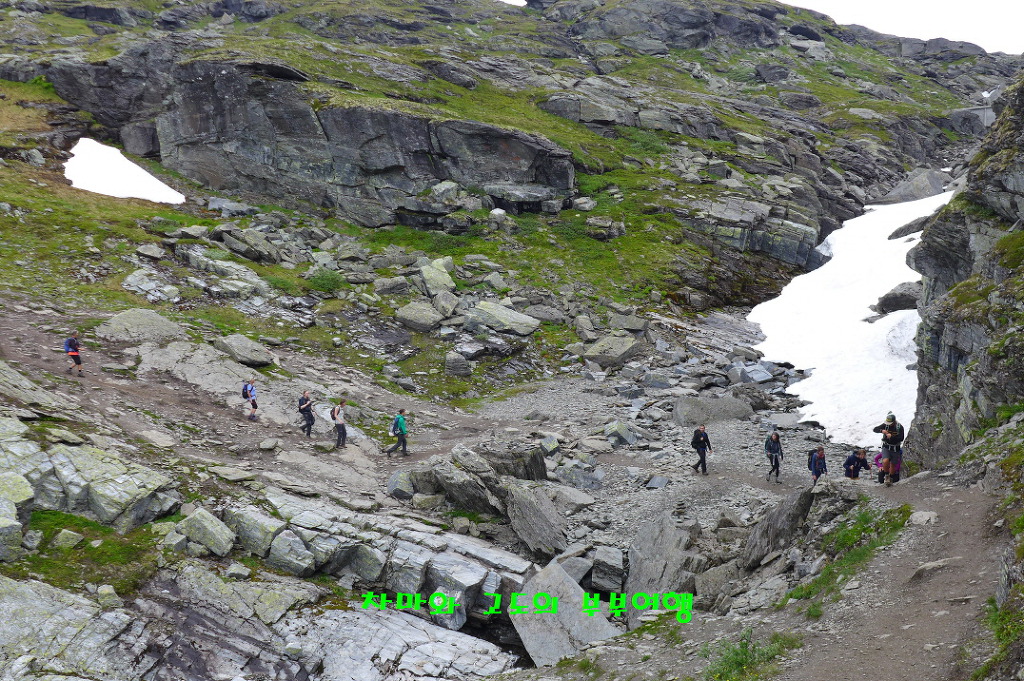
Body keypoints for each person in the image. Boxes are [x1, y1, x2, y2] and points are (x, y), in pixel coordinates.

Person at [872, 412, 905, 487]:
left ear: (894, 422)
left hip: (895, 449)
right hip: (886, 447)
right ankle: (886, 475)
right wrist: (881, 431)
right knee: (885, 460)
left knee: (893, 466)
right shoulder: (885, 425)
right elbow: (875, 429)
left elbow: (901, 438)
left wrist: (892, 437)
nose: (888, 424)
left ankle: (891, 478)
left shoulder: (899, 427)